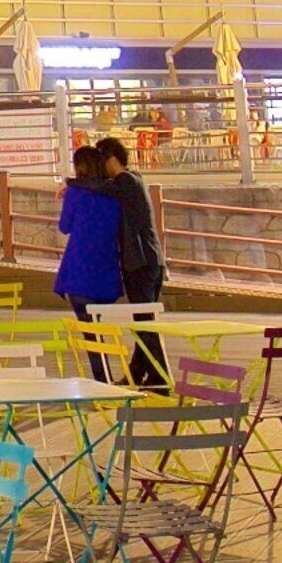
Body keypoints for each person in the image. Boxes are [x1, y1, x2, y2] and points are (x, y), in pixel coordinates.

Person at [93, 138, 169, 388]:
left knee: (144, 321)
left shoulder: (125, 181)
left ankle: (160, 376)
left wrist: (72, 183)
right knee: (142, 320)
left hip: (141, 262)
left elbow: (101, 188)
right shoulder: (134, 180)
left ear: (112, 159)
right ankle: (138, 372)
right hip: (149, 260)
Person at [52, 145, 124, 377]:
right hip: (107, 274)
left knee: (90, 332)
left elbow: (64, 227)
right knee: (97, 327)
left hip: (79, 274)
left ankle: (103, 381)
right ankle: (106, 378)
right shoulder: (115, 194)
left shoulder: (75, 193)